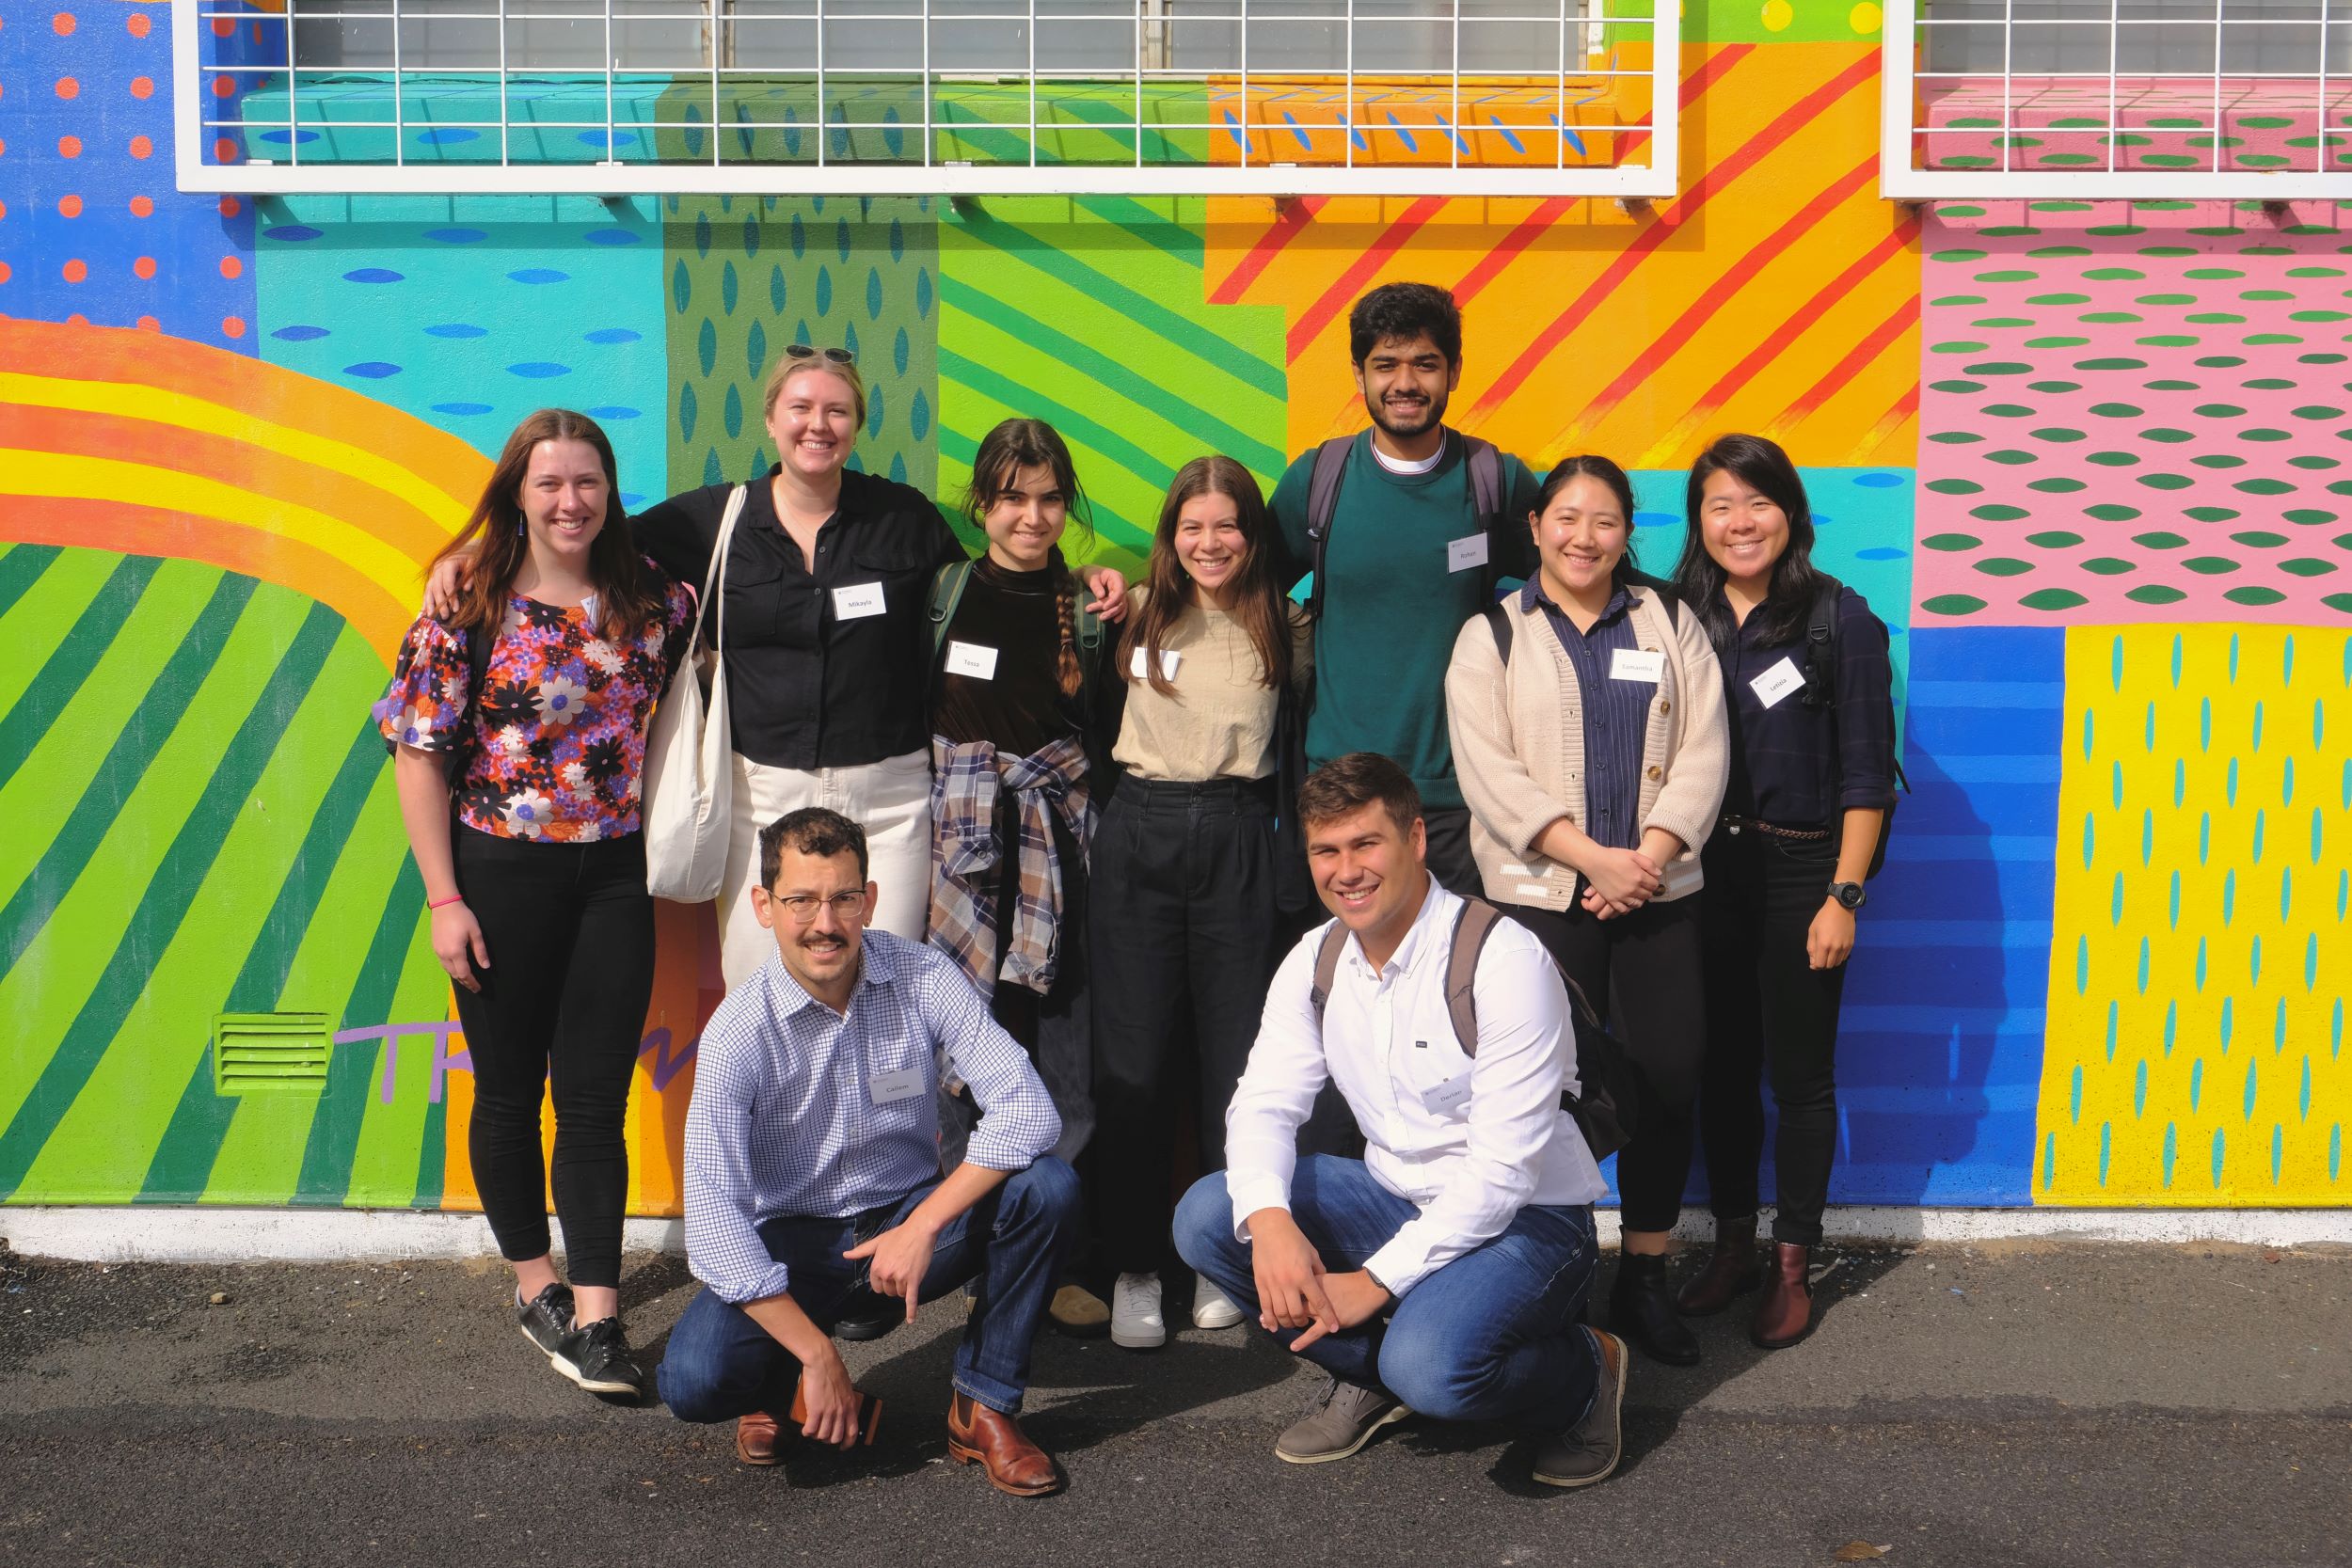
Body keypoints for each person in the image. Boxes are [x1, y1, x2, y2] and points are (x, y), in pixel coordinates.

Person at [421, 347, 1124, 982]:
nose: (818, 425)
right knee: (762, 1000)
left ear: (855, 424)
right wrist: (483, 555)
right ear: (771, 419)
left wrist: (1084, 581)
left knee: (884, 996)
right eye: (802, 408)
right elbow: (583, 538)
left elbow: (991, 587)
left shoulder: (902, 520)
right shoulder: (714, 522)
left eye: (837, 411)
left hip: (893, 804)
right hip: (761, 801)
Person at [1172, 753, 1628, 1490]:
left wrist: (1376, 1280)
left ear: (1416, 839)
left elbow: (1502, 1174)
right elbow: (1262, 1099)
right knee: (1210, 1214)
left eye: (1365, 843)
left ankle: (1584, 1373)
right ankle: (1377, 1376)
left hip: (1529, 1223)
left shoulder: (1503, 959)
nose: (1345, 870)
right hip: (1395, 1199)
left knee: (1432, 1368)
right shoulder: (1315, 958)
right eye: (1326, 850)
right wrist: (1271, 1219)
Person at [373, 408, 696, 1400]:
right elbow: (419, 755)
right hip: (497, 871)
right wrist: (443, 897)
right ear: (517, 490)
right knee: (510, 1092)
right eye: (549, 482)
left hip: (611, 874)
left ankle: (599, 1316)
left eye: (588, 481)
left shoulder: (656, 603)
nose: (570, 501)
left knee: (594, 1098)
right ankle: (535, 1286)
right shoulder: (467, 606)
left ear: (611, 490)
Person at [658, 807, 1080, 1496]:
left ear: (870, 899)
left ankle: (985, 1406)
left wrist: (923, 1224)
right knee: (692, 1379)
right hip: (794, 1246)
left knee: (1048, 1188)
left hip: (906, 1224)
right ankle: (784, 1382)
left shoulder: (922, 975)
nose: (824, 922)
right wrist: (818, 1352)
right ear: (764, 906)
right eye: (801, 900)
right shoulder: (737, 1033)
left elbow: (1028, 1107)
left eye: (843, 898)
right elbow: (714, 1227)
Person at [1444, 455, 1728, 1366]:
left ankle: (1642, 1275)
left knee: (1667, 1072)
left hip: (1656, 889)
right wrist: (1589, 859)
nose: (1583, 537)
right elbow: (1489, 772)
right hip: (1537, 898)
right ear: (1534, 526)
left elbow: (1704, 749)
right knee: (1539, 1089)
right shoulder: (1489, 634)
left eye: (1604, 520)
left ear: (1626, 530)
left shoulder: (1669, 619)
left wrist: (1643, 859)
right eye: (1566, 517)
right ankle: (1537, 1274)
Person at [1668, 433, 1897, 1350]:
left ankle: (1793, 1259)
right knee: (1717, 1069)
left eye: (1755, 502)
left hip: (1805, 872)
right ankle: (1730, 1244)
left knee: (1798, 1077)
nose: (1738, 522)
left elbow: (1866, 776)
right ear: (1698, 522)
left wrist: (1843, 893)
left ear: (1789, 512)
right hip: (1702, 875)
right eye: (1718, 505)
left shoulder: (1839, 620)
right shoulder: (1676, 614)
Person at [1088, 456, 1314, 1350]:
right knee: (1135, 1066)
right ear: (1169, 534)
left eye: (1227, 526)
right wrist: (1093, 578)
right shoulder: (1134, 609)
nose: (1210, 543)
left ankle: (1223, 1257)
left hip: (1238, 835)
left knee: (1235, 1066)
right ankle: (1137, 1265)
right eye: (1193, 526)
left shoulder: (1285, 627)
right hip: (1139, 829)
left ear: (1253, 536)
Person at [927, 417, 1123, 1335]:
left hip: (1062, 853)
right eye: (1012, 497)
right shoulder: (943, 592)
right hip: (962, 856)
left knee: (1064, 1051)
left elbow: (1111, 726)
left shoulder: (1087, 601)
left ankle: (1065, 1257)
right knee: (969, 1055)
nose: (1031, 516)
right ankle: (977, 1245)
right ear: (982, 503)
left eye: (1049, 498)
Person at [1267, 282, 1543, 897]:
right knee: (1352, 981)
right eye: (1385, 364)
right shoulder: (1318, 481)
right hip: (1340, 789)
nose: (1405, 382)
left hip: (1459, 790)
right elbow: (1236, 590)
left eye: (1425, 363)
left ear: (1454, 371)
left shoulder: (1495, 480)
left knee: (1455, 979)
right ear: (1359, 374)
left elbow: (1575, 583)